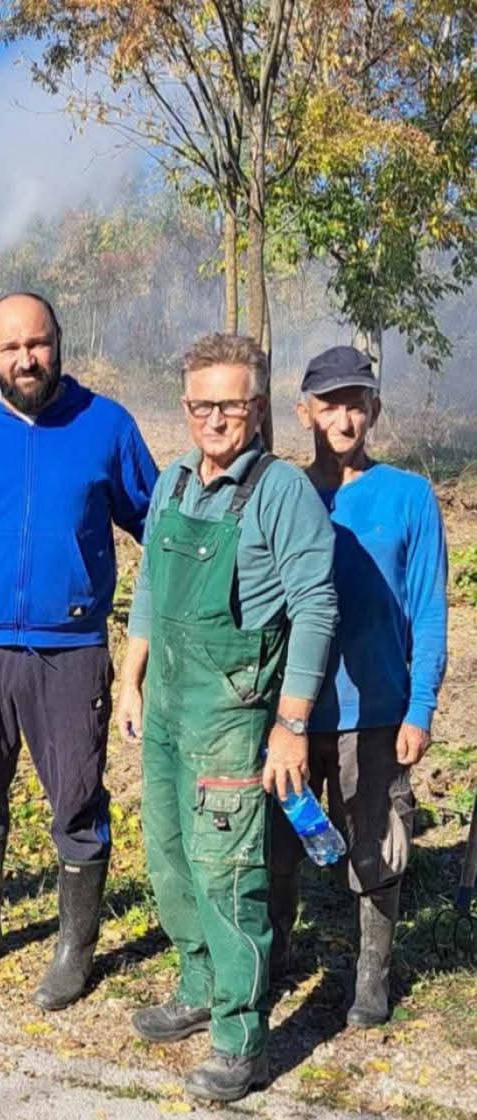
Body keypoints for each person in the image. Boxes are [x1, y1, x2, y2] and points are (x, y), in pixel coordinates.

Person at [0, 292, 158, 1011]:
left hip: (69, 651)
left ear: (59, 343)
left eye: (38, 344)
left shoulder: (104, 426)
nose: (26, 359)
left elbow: (160, 525)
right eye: (11, 347)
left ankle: (75, 947)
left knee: (77, 801)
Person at [116, 333, 338, 1102]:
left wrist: (293, 724)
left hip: (236, 717)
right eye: (202, 404)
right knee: (171, 860)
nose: (215, 418)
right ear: (186, 407)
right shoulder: (173, 480)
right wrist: (130, 679)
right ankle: (200, 984)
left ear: (258, 406)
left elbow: (315, 608)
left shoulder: (281, 492)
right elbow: (149, 585)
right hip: (170, 708)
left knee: (229, 874)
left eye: (232, 404)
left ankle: (241, 1036)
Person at [269, 346, 448, 1026]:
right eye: (329, 403)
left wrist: (420, 706)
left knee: (376, 846)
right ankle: (278, 954)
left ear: (373, 409)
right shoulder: (282, 493)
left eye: (356, 402)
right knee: (278, 849)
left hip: (371, 709)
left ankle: (371, 976)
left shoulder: (408, 495)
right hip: (287, 711)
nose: (344, 417)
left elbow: (429, 609)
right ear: (304, 411)